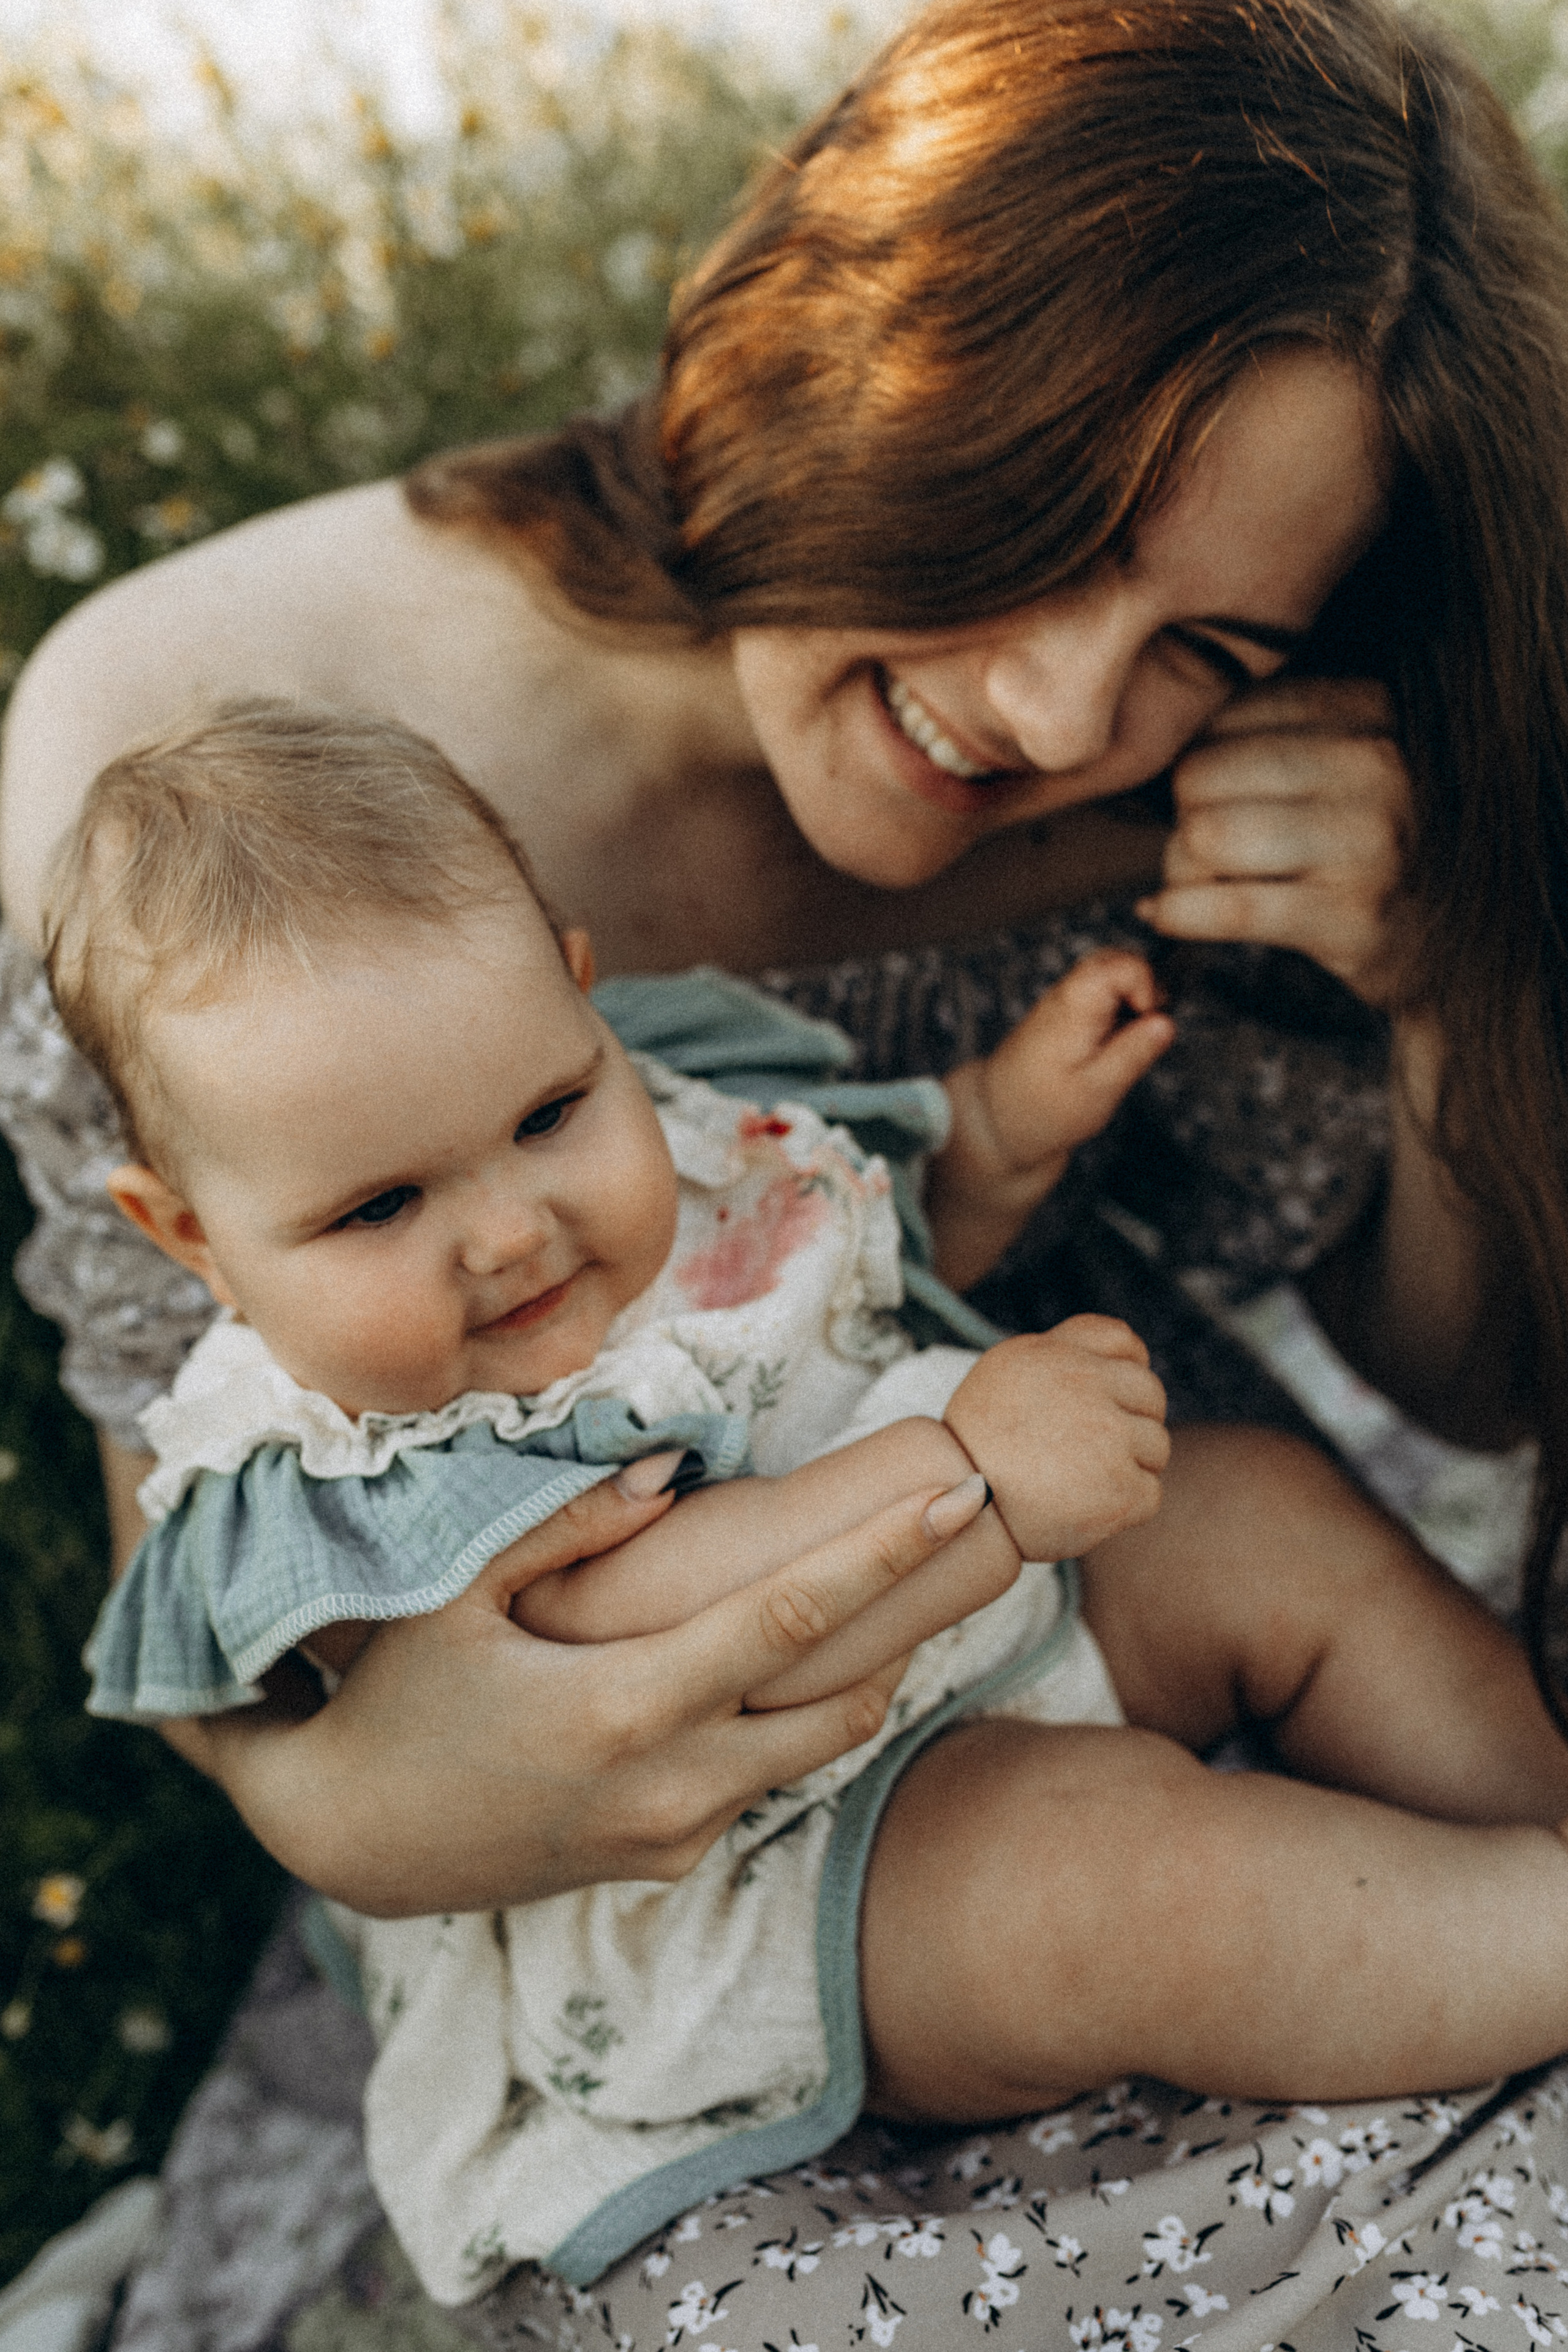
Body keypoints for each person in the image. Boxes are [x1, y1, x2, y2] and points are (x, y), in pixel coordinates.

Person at [2, 0, 1567, 2336]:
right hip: (670, 1839)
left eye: (1204, 642)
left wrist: (1447, 975)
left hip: (1077, 1559)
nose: (1060, 721)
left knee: (1287, 1546)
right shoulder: (228, 791)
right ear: (861, 327)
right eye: (1052, 528)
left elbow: (1455, 1388)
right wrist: (351, 1815)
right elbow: (236, 1579)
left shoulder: (1219, 783)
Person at [45, 703, 1568, 2307]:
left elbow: (832, 1259)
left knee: (1249, 1507)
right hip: (756, 1854)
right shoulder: (327, 1459)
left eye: (550, 1116)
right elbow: (628, 1619)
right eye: (379, 1206)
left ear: (578, 997)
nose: (509, 1231)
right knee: (1131, 1881)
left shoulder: (670, 1115)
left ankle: (1528, 1788)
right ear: (195, 1239)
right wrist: (971, 1476)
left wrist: (999, 1127)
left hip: (975, 1615)